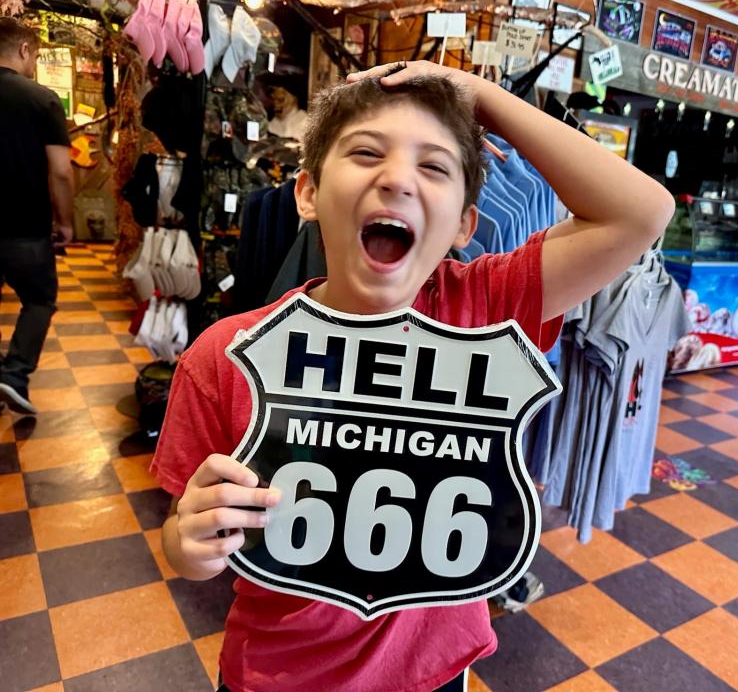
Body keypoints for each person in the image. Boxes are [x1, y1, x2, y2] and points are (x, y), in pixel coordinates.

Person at [150, 60, 674, 691]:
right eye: (366, 153)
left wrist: (478, 94)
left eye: (433, 166)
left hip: (431, 678)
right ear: (308, 193)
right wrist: (193, 542)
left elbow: (641, 213)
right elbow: (183, 546)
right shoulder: (225, 354)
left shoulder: (482, 309)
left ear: (464, 226)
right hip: (275, 677)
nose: (397, 178)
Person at [0, 17, 74, 415]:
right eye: (37, 56)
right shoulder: (41, 98)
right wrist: (65, 222)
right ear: (25, 50)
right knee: (39, 300)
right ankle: (13, 375)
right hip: (25, 226)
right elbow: (61, 170)